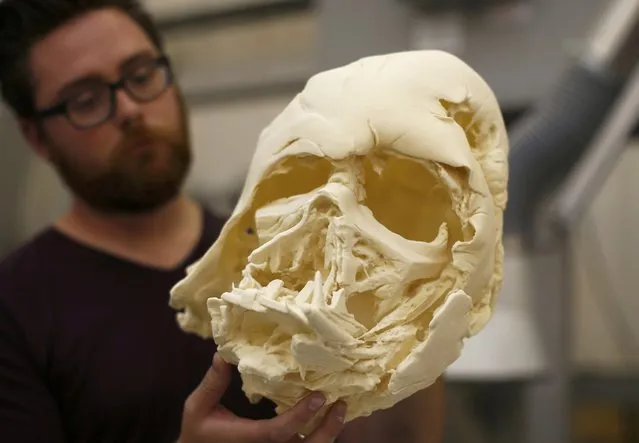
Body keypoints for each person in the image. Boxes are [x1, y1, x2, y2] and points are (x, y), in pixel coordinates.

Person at [0, 1, 445, 442]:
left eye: (141, 76)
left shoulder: (286, 251)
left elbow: (381, 431)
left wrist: (412, 314)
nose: (130, 109)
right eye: (85, 100)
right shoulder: (16, 310)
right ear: (37, 138)